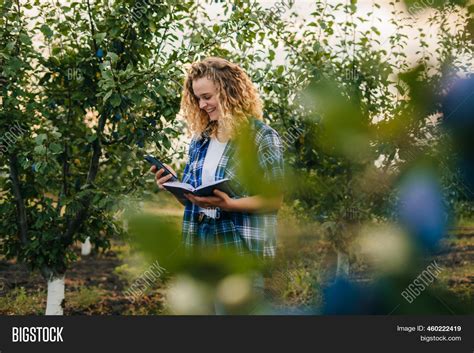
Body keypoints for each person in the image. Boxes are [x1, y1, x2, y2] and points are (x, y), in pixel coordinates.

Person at [151, 57, 284, 258]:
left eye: (207, 96)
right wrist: (174, 185)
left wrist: (229, 204)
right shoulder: (200, 140)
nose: (202, 104)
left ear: (229, 93)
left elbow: (273, 200)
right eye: (197, 98)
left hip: (241, 246)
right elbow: (193, 202)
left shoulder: (261, 137)